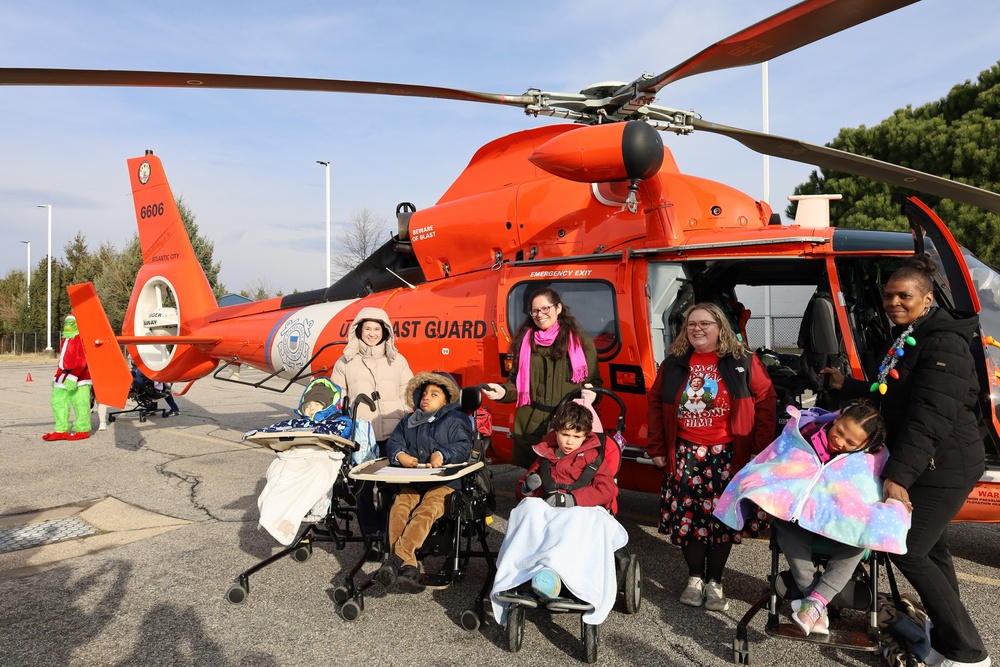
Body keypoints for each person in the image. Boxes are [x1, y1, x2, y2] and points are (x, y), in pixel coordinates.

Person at [822, 254, 991, 667]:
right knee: (932, 552)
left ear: (928, 297)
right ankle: (945, 638)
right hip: (927, 462)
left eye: (905, 296)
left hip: (944, 465)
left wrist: (898, 477)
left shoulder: (944, 342)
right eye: (889, 296)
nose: (894, 302)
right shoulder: (910, 332)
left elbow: (928, 418)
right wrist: (850, 388)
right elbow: (893, 394)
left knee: (906, 549)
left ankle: (969, 654)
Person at [715, 400, 910, 637]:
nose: (839, 442)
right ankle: (814, 601)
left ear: (865, 445)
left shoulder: (872, 458)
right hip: (800, 517)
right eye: (839, 432)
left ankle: (816, 602)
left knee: (860, 542)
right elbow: (776, 463)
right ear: (836, 420)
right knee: (783, 525)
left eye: (851, 443)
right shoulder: (804, 437)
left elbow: (868, 491)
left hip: (843, 522)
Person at [647, 302, 776, 611]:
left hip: (727, 455)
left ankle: (715, 582)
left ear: (721, 328)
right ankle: (694, 579)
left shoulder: (742, 360)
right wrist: (657, 448)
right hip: (685, 453)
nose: (698, 329)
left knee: (721, 521)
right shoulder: (674, 363)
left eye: (706, 323)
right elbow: (654, 403)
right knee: (688, 519)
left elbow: (766, 399)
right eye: (692, 324)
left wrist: (759, 448)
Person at [491, 401, 627, 625]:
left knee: (578, 521)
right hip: (548, 509)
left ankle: (559, 576)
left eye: (576, 436)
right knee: (527, 511)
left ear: (585, 435)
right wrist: (527, 488)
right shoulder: (545, 455)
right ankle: (520, 573)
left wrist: (575, 499)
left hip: (580, 509)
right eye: (564, 435)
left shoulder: (593, 457)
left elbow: (606, 490)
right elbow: (523, 488)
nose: (569, 441)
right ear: (556, 432)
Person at [375, 371, 473, 593]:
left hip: (444, 482)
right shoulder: (409, 420)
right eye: (425, 393)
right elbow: (394, 443)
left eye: (434, 394)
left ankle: (395, 559)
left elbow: (463, 446)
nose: (426, 398)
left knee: (426, 511)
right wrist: (400, 455)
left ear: (447, 400)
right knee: (399, 508)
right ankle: (409, 568)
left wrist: (442, 454)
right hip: (413, 480)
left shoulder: (456, 419)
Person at [482, 287, 602, 467]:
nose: (540, 314)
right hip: (532, 426)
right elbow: (515, 385)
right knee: (533, 482)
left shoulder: (582, 343)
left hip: (567, 426)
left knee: (565, 480)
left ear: (558, 308)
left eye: (545, 308)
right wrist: (502, 392)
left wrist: (593, 394)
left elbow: (595, 384)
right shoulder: (525, 343)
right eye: (535, 310)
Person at [332, 307, 413, 540]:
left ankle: (394, 531)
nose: (372, 333)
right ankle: (371, 532)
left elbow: (409, 392)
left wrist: (404, 414)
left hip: (393, 433)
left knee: (396, 484)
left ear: (385, 331)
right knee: (363, 487)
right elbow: (338, 396)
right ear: (358, 330)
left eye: (377, 328)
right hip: (361, 434)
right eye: (367, 328)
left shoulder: (398, 360)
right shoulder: (345, 361)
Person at [43, 314, 93, 441]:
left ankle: (82, 429)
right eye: (66, 323)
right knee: (57, 401)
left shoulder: (81, 338)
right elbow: (62, 360)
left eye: (71, 323)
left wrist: (74, 375)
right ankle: (61, 429)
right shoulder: (65, 339)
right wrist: (57, 376)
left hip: (80, 377)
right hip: (63, 375)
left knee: (80, 403)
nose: (68, 326)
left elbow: (83, 360)